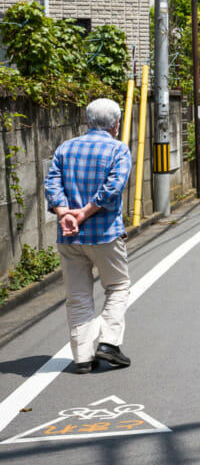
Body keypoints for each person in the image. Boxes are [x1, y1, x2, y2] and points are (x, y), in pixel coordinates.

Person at [44, 98, 133, 374]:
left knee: (78, 294)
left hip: (69, 236)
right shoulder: (118, 150)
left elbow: (52, 184)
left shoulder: (65, 148)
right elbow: (112, 189)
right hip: (104, 234)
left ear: (87, 121)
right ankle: (107, 343)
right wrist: (84, 213)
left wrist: (65, 214)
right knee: (117, 286)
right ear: (116, 124)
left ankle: (83, 357)